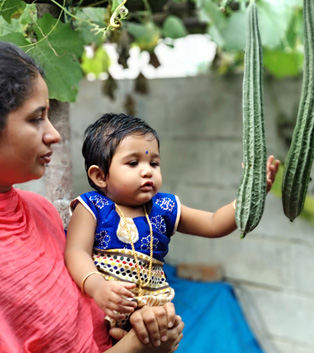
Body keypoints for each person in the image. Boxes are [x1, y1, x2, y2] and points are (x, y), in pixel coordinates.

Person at [0, 41, 184, 353]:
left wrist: (148, 333)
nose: (54, 134)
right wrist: (139, 346)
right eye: (36, 119)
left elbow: (91, 327)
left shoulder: (42, 213)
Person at [65, 113, 280, 329]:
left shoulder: (165, 207)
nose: (147, 171)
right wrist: (97, 287)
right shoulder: (92, 207)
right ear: (100, 176)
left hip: (154, 311)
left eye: (154, 163)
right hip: (104, 308)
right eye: (133, 163)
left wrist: (251, 195)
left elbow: (214, 223)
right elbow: (76, 252)